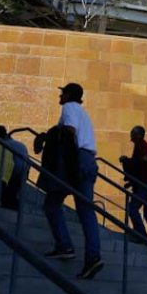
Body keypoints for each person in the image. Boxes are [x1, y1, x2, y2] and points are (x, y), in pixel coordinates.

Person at [41, 82, 103, 280]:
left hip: (73, 160)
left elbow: (69, 131)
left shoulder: (69, 108)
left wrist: (51, 138)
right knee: (86, 210)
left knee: (52, 203)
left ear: (68, 95)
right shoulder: (84, 113)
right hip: (88, 160)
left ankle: (65, 245)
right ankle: (92, 257)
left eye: (62, 93)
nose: (60, 96)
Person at [1, 128, 31, 210]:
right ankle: (15, 206)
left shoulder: (5, 144)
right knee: (16, 188)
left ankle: (9, 205)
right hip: (25, 168)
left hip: (15, 168)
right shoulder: (19, 143)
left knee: (9, 188)